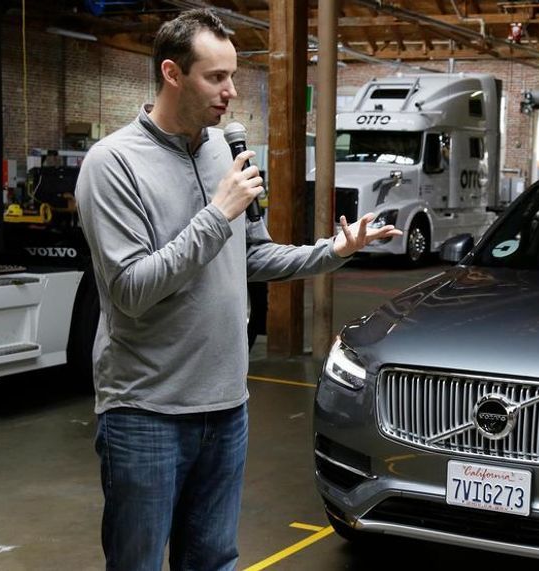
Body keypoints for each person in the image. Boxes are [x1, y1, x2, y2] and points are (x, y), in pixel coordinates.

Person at [74, 8, 401, 571]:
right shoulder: (113, 164)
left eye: (233, 75)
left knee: (215, 559)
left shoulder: (221, 151)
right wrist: (217, 212)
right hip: (147, 412)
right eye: (215, 77)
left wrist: (334, 251)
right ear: (172, 74)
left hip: (227, 407)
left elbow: (251, 254)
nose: (231, 92)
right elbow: (130, 289)